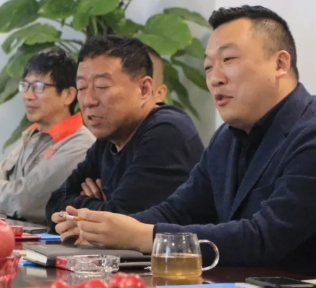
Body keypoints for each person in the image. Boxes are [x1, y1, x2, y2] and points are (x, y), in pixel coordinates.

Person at [53, 5, 316, 283]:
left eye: (228, 59)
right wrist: (103, 229)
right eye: (208, 66)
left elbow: (263, 238)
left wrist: (141, 235)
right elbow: (179, 209)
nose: (214, 78)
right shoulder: (227, 137)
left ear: (280, 64)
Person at [44, 35, 205, 231]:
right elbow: (54, 205)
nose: (88, 101)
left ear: (144, 89)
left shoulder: (167, 132)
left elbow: (119, 224)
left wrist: (92, 208)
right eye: (82, 88)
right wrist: (100, 208)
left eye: (102, 87)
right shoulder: (108, 138)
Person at [0, 48, 95, 224]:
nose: (28, 96)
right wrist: (4, 196)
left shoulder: (80, 145)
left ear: (68, 95)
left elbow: (24, 203)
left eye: (38, 87)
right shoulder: (32, 135)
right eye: (24, 86)